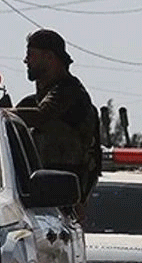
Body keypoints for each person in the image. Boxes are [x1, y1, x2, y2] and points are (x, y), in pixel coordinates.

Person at [12, 29, 101, 214]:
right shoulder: (32, 101)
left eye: (31, 55)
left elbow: (42, 115)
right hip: (37, 194)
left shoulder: (70, 93)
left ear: (49, 57)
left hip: (62, 196)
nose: (26, 61)